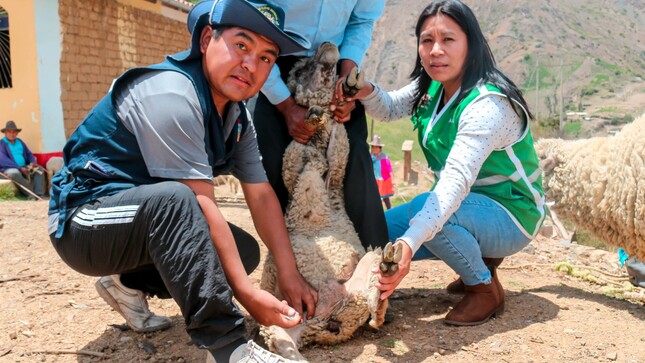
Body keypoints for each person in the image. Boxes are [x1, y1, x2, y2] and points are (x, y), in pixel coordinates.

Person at [48, 1, 318, 361]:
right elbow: (198, 202)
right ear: (207, 39)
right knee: (177, 203)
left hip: (140, 220)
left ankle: (126, 283)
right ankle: (229, 348)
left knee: (243, 252)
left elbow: (261, 194)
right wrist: (247, 294)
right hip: (84, 222)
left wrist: (289, 273)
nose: (251, 65)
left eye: (266, 58)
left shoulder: (237, 119)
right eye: (241, 45)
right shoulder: (173, 93)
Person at [339, 0, 546, 326]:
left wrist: (409, 244)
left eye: (448, 40)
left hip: (511, 214)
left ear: (471, 45)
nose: (436, 50)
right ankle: (479, 260)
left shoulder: (486, 104)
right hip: (466, 207)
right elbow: (391, 107)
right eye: (427, 40)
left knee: (433, 213)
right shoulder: (432, 87)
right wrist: (363, 90)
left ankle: (483, 288)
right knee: (373, 232)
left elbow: (453, 186)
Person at [252, 0, 389, 251]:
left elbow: (361, 20)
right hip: (272, 64)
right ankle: (292, 268)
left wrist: (347, 83)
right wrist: (285, 106)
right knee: (274, 166)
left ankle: (374, 269)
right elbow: (251, 15)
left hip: (334, 68)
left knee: (354, 160)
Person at [0, 120, 46, 200]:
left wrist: (32, 162)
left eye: (14, 132)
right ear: (5, 133)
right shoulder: (2, 143)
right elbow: (3, 161)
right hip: (8, 169)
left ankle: (39, 194)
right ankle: (30, 195)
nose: (12, 134)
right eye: (9, 132)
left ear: (17, 133)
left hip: (23, 166)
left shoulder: (20, 142)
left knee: (39, 169)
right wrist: (19, 168)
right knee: (14, 172)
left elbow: (28, 153)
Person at [368, 135, 393, 210]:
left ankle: (389, 210)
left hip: (383, 180)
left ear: (380, 148)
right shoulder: (370, 157)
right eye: (373, 147)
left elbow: (389, 168)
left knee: (385, 197)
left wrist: (393, 180)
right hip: (374, 180)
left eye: (376, 147)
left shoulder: (384, 157)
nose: (374, 149)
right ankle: (377, 211)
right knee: (375, 197)